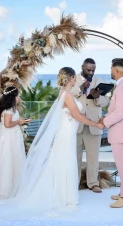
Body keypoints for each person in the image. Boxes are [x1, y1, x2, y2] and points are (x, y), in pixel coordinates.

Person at [14, 67, 104, 212]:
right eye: (74, 77)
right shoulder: (67, 95)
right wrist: (95, 124)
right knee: (65, 159)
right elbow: (77, 115)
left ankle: (64, 192)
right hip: (66, 131)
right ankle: (63, 195)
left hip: (67, 130)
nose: (76, 80)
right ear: (70, 79)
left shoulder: (64, 93)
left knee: (62, 159)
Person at [99, 58, 123, 208]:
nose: (110, 72)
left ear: (116, 70)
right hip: (120, 131)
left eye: (111, 69)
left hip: (121, 131)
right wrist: (106, 118)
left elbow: (120, 113)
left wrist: (104, 122)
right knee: (122, 163)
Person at [71, 58, 109, 193]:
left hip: (94, 124)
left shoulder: (99, 81)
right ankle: (73, 183)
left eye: (93, 70)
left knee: (93, 156)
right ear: (82, 67)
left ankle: (93, 183)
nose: (91, 72)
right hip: (76, 124)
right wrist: (81, 89)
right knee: (75, 156)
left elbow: (105, 101)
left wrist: (98, 96)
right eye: (88, 70)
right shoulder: (73, 79)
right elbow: (67, 96)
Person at [0, 87, 28, 199]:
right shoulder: (8, 110)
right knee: (7, 159)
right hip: (9, 138)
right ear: (13, 97)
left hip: (12, 136)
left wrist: (20, 121)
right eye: (18, 95)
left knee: (14, 159)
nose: (19, 98)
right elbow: (7, 124)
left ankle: (14, 185)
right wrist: (19, 121)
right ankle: (5, 189)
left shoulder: (12, 109)